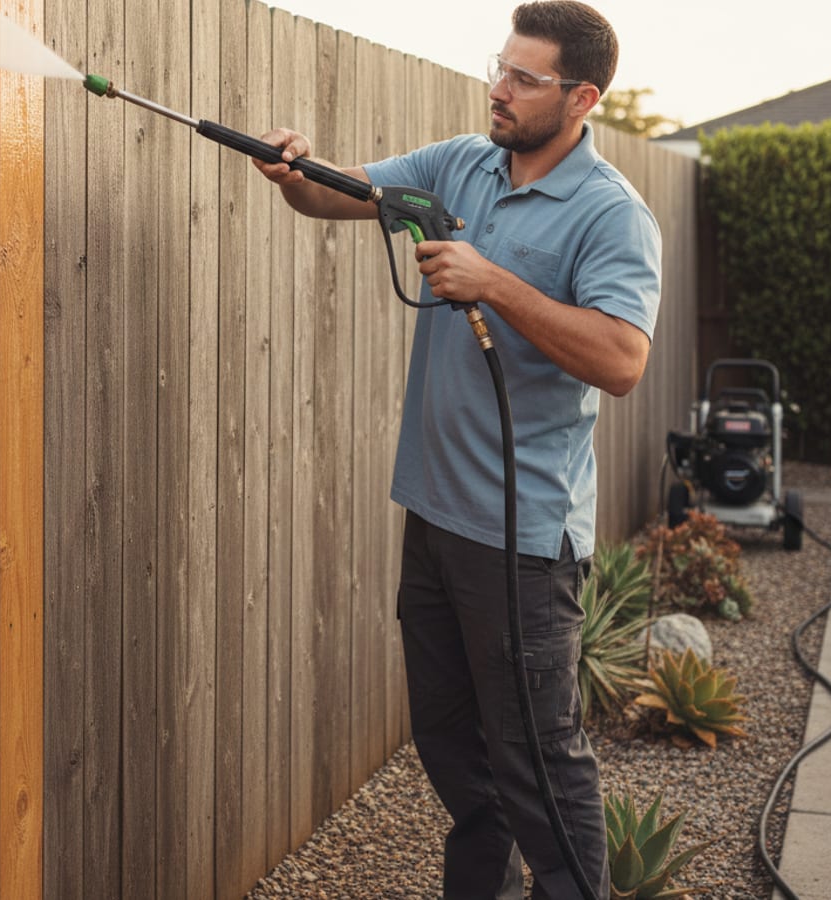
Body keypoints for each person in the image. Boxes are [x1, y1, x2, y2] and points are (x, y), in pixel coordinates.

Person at [252, 2, 661, 898]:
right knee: (454, 754)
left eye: (525, 78)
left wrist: (494, 284)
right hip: (434, 518)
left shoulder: (610, 216)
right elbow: (340, 192)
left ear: (582, 96)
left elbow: (623, 361)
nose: (499, 89)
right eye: (500, 67)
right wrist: (290, 170)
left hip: (520, 540)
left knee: (537, 764)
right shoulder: (459, 165)